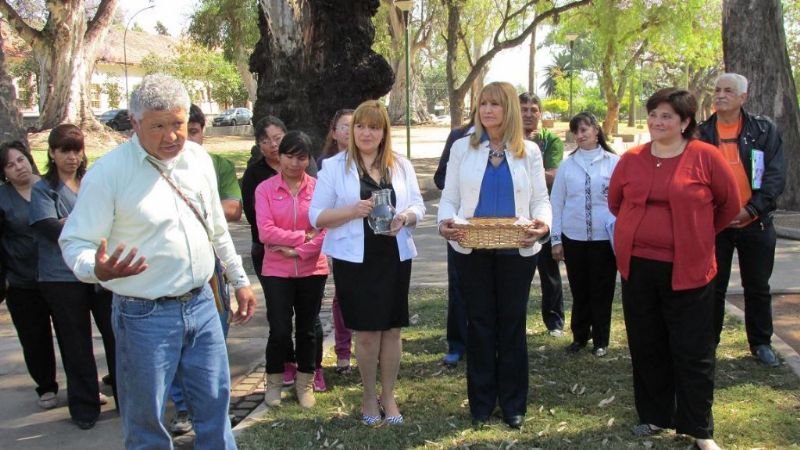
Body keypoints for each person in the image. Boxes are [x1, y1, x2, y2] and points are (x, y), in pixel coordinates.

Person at [59, 74, 257, 450]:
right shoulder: (108, 173)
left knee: (216, 411)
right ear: (134, 124)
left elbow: (216, 229)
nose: (171, 137)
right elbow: (74, 242)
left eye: (179, 125)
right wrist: (95, 269)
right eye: (158, 127)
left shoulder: (198, 160)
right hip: (143, 317)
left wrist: (239, 278)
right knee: (147, 423)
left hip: (203, 305)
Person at [608, 88, 740, 450]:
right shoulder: (631, 158)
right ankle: (654, 415)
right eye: (653, 114)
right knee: (647, 343)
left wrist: (695, 234)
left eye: (666, 116)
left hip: (690, 270)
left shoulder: (706, 157)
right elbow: (616, 202)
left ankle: (699, 428)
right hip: (638, 267)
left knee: (692, 348)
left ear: (685, 122)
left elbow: (728, 206)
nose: (657, 121)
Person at [437, 81, 551, 429]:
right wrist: (444, 222)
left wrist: (543, 226)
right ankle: (482, 403)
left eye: (495, 104)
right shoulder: (462, 148)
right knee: (481, 324)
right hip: (472, 247)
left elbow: (540, 201)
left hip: (517, 249)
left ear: (510, 110)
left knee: (512, 325)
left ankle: (513, 403)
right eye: (483, 104)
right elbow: (451, 197)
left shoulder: (528, 151)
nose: (487, 110)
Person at [310, 100, 425, 426]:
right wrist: (353, 210)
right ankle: (368, 395)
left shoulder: (400, 165)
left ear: (384, 132)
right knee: (365, 334)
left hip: (393, 256)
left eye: (373, 127)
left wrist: (404, 216)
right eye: (360, 126)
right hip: (354, 260)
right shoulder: (333, 167)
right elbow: (316, 215)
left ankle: (389, 395)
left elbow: (418, 205)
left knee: (391, 330)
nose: (365, 133)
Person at [29, 124, 117, 430]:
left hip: (101, 273)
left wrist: (76, 224)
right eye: (65, 150)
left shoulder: (91, 181)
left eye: (77, 150)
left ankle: (125, 394)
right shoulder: (43, 189)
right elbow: (50, 228)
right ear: (52, 153)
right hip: (60, 278)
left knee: (116, 334)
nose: (72, 157)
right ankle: (84, 405)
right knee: (75, 342)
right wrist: (83, 226)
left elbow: (110, 219)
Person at [697, 73, 786, 367]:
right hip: (715, 224)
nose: (720, 95)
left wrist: (751, 210)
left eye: (728, 91)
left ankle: (760, 342)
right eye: (717, 90)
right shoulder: (701, 133)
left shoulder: (764, 131)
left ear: (743, 98)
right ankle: (709, 343)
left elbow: (774, 177)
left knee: (757, 285)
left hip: (755, 221)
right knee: (713, 286)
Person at [167, 103, 243, 435]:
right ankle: (184, 407)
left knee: (211, 340)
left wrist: (239, 278)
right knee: (174, 345)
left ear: (200, 131)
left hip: (211, 268)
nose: (184, 139)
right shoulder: (149, 165)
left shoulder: (215, 165)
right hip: (166, 274)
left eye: (192, 131)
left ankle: (213, 410)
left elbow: (230, 211)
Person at [241, 116, 325, 390]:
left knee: (307, 329)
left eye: (300, 158)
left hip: (313, 267)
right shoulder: (264, 187)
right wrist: (302, 237)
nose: (293, 163)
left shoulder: (319, 188)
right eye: (288, 156)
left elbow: (325, 229)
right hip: (276, 267)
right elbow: (264, 231)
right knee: (279, 328)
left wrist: (301, 251)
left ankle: (306, 382)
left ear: (308, 159)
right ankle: (274, 382)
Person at [550, 112, 619, 357]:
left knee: (602, 289)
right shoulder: (568, 165)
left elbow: (623, 201)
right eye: (576, 131)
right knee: (580, 290)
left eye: (584, 130)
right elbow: (556, 203)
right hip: (574, 237)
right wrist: (556, 239)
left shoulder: (613, 162)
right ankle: (580, 336)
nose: (580, 135)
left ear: (596, 130)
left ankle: (601, 339)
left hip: (604, 238)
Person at [0, 141, 59, 409]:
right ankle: (46, 386)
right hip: (23, 282)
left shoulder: (50, 186)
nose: (18, 167)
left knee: (73, 335)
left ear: (29, 159)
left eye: (21, 160)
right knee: (34, 338)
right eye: (10, 165)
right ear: (4, 172)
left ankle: (85, 386)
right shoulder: (3, 198)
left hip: (60, 278)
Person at [519, 92, 566, 337]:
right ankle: (516, 320)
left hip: (543, 213)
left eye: (533, 109)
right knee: (516, 273)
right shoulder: (508, 138)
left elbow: (554, 175)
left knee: (548, 270)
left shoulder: (550, 141)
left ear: (540, 113)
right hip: (515, 216)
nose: (528, 114)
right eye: (523, 109)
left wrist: (527, 167)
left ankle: (555, 322)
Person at [432, 112, 475, 368]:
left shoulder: (511, 140)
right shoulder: (458, 137)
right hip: (460, 228)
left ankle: (487, 345)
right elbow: (439, 178)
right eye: (484, 104)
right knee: (458, 288)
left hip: (497, 231)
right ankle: (457, 345)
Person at [318, 109, 356, 374]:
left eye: (354, 126)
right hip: (339, 243)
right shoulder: (327, 165)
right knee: (342, 299)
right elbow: (319, 212)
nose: (349, 131)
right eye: (344, 126)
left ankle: (370, 349)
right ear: (334, 133)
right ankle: (343, 351)